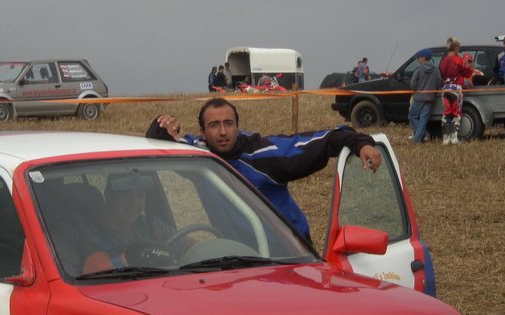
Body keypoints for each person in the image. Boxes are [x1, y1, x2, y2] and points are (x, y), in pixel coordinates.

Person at [146, 98, 381, 241]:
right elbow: (157, 147)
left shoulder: (265, 155)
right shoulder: (198, 156)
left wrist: (361, 144)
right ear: (202, 131)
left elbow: (327, 139)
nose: (223, 132)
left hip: (289, 250)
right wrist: (161, 126)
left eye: (229, 123)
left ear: (237, 126)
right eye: (214, 125)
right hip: (235, 255)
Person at [54, 174, 177, 276]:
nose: (134, 203)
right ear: (108, 194)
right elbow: (64, 283)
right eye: (126, 194)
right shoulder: (73, 232)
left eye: (140, 196)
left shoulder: (150, 225)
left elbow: (188, 248)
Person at [439, 37, 473, 145]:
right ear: (456, 48)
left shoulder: (443, 61)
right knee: (456, 113)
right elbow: (467, 72)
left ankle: (445, 138)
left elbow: (441, 74)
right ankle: (454, 138)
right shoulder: (458, 60)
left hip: (445, 88)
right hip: (456, 89)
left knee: (446, 113)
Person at [408, 49, 442, 143]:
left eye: (419, 57)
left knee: (412, 117)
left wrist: (415, 90)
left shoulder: (419, 70)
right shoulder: (436, 70)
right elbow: (439, 83)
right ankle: (419, 137)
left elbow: (412, 84)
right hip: (430, 98)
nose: (418, 59)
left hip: (419, 97)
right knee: (423, 119)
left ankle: (421, 136)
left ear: (423, 58)